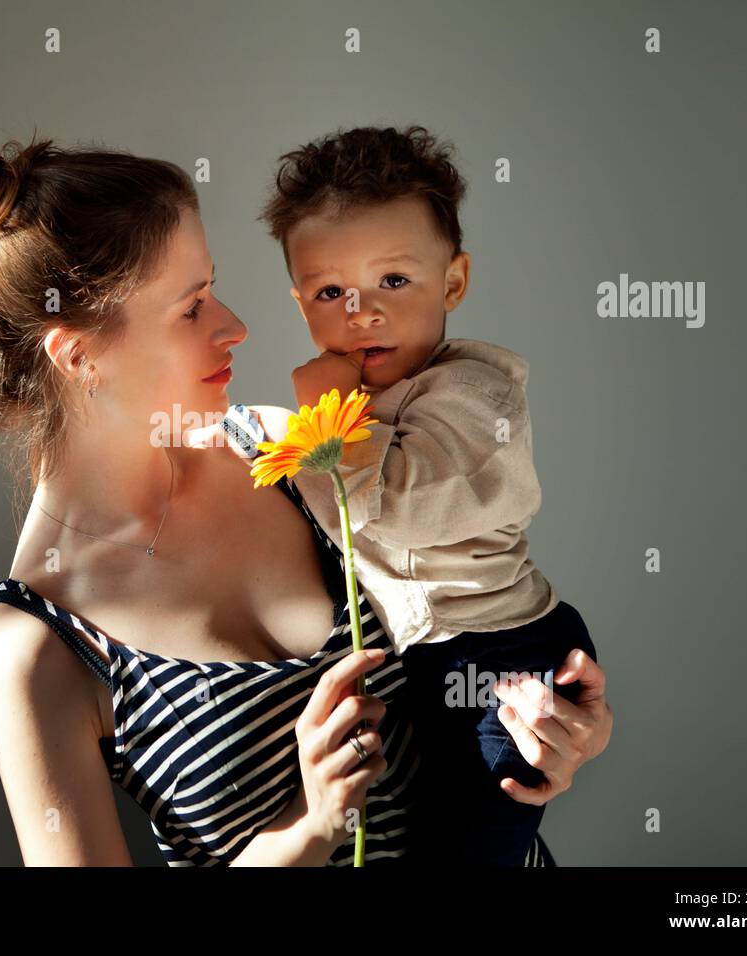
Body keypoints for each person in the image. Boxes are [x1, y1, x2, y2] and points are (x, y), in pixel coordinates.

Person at [0, 108, 614, 865]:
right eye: (191, 307)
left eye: (213, 287)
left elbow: (471, 607)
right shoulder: (37, 647)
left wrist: (553, 724)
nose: (235, 326)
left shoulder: (288, 449)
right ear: (79, 357)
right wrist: (309, 825)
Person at [256, 125, 600, 865]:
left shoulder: (474, 393)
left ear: (454, 282)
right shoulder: (366, 396)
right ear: (300, 303)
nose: (362, 311)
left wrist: (330, 426)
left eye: (394, 281)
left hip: (501, 658)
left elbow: (402, 508)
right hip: (434, 658)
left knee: (475, 840)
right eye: (329, 291)